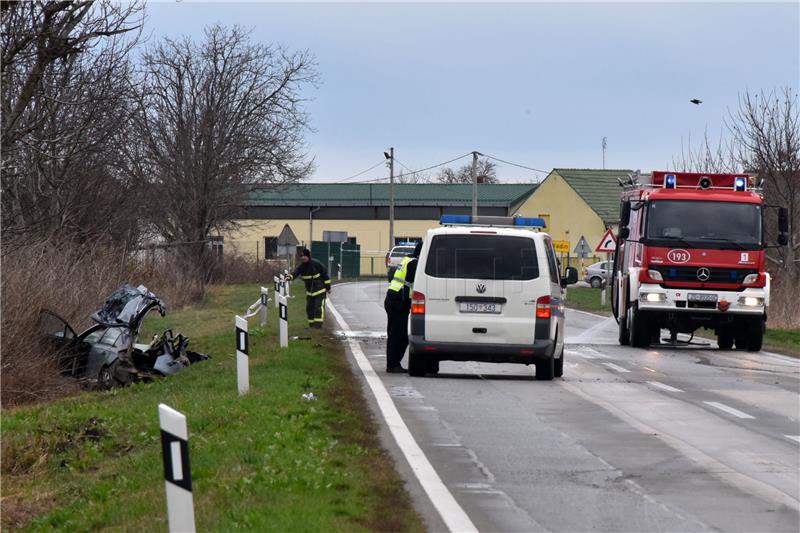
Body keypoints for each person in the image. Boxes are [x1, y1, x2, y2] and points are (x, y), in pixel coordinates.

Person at [384, 241, 422, 373]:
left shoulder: (407, 259)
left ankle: (394, 363)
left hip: (395, 299)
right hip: (398, 301)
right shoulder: (414, 264)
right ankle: (392, 365)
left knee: (399, 335)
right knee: (398, 335)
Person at [288, 248, 331, 328]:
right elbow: (295, 273)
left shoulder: (316, 264)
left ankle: (318, 326)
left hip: (320, 291)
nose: (303, 257)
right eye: (302, 256)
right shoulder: (302, 267)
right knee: (309, 308)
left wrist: (328, 287)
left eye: (305, 256)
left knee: (318, 308)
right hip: (310, 292)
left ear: (308, 256)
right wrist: (289, 277)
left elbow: (325, 274)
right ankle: (311, 325)